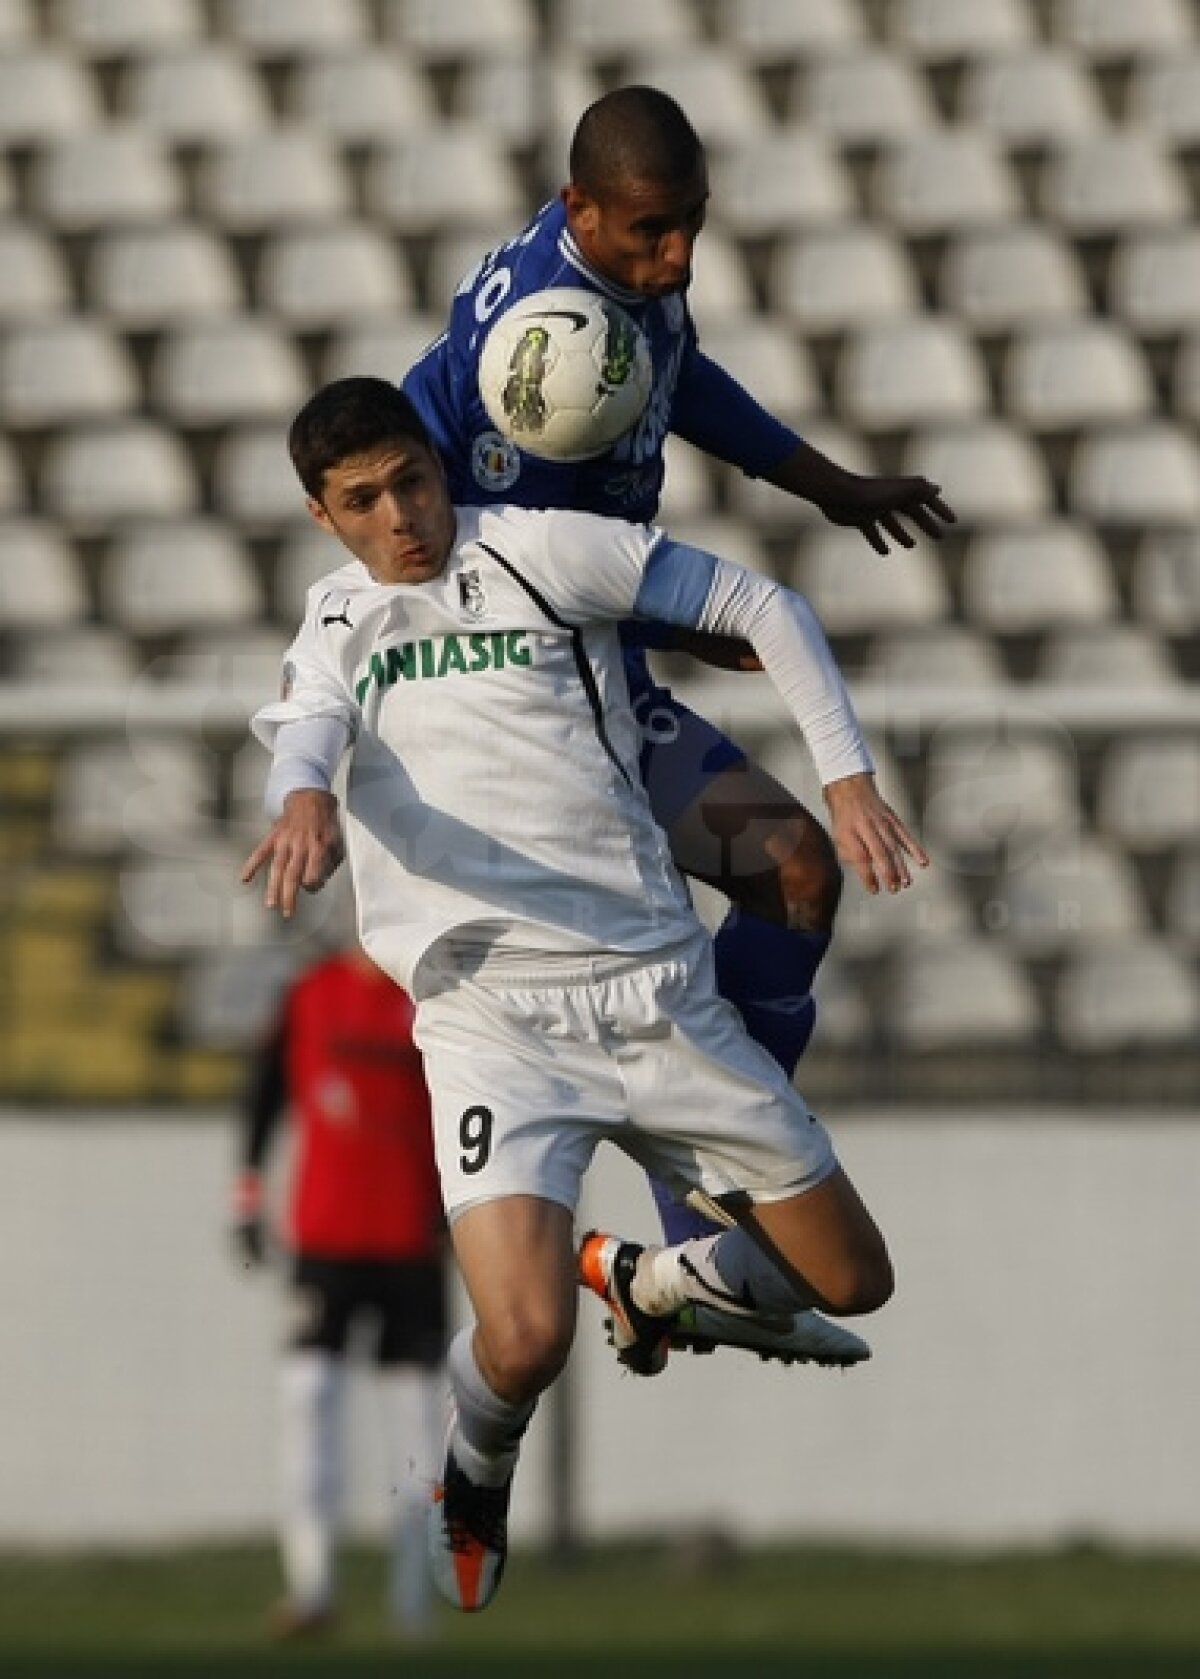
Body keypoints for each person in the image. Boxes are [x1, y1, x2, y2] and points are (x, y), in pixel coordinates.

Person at [241, 377, 928, 1612]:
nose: (400, 513)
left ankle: (654, 1277)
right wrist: (301, 799)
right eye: (363, 499)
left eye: (411, 478)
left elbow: (762, 603)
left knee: (854, 1281)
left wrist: (846, 778)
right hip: (488, 1018)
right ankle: (475, 1459)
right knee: (523, 1342)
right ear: (321, 513)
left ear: (436, 465)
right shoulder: (336, 621)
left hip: (656, 993)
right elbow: (306, 732)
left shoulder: (542, 551)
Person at [402, 85, 954, 1364]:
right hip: (546, 720)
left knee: (794, 875)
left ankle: (687, 1252)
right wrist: (722, 630)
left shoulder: (614, 282)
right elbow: (532, 591)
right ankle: (687, 1244)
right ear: (579, 208)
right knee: (797, 866)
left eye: (693, 226)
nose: (680, 258)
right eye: (655, 232)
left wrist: (824, 485)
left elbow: (677, 372)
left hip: (606, 686)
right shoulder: (531, 377)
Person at [231, 938, 447, 1641]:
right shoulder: (311, 991)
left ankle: (414, 1608)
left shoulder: (433, 999)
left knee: (416, 1430)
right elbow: (265, 1090)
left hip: (410, 1244)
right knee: (308, 1402)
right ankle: (311, 1588)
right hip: (325, 1243)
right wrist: (248, 1193)